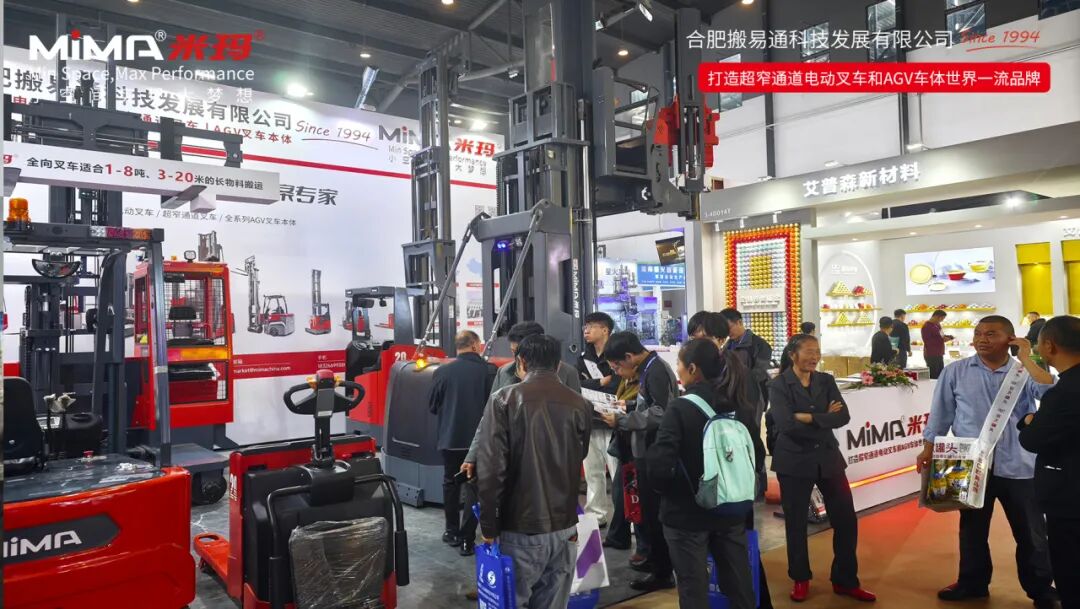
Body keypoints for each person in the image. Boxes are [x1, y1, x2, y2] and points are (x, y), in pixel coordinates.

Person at [916, 316, 1057, 608]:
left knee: (1031, 533)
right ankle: (972, 583)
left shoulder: (1024, 371)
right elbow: (941, 414)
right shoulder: (955, 371)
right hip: (971, 465)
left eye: (991, 334)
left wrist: (1027, 357)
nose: (982, 339)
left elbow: (1049, 392)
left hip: (1019, 464)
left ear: (1010, 339)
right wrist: (928, 448)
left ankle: (1041, 589)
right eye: (978, 333)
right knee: (972, 530)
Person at [477, 334, 592, 609]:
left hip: (520, 527)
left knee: (512, 602)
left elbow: (492, 470)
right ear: (558, 364)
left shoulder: (504, 399)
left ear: (521, 362)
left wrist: (489, 526)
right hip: (565, 527)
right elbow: (580, 456)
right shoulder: (580, 403)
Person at [647, 339, 757, 609]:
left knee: (693, 589)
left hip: (686, 514)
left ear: (693, 368)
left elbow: (660, 466)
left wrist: (665, 489)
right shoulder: (738, 404)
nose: (677, 370)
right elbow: (757, 451)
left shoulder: (680, 408)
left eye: (679, 364)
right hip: (732, 508)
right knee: (739, 584)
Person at [770, 334, 876, 603]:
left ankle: (845, 580)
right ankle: (800, 578)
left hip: (828, 458)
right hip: (794, 462)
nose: (814, 357)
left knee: (846, 520)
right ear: (793, 354)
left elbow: (843, 416)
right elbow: (785, 424)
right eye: (808, 351)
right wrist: (824, 418)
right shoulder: (779, 384)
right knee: (796, 524)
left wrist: (809, 417)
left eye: (817, 351)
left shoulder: (826, 381)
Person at [601, 331, 677, 592]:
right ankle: (655, 560)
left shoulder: (655, 370)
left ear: (629, 356)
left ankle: (662, 573)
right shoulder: (648, 368)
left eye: (617, 367)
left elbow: (661, 412)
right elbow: (650, 404)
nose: (617, 372)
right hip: (645, 450)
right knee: (646, 512)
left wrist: (622, 419)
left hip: (654, 452)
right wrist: (629, 405)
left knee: (655, 515)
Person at [1018, 316, 1080, 609]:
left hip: (1070, 496)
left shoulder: (1064, 392)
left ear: (1049, 346)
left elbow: (1033, 440)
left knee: (1070, 567)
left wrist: (1029, 421)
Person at [427, 330, 496, 556]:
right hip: (480, 441)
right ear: (475, 345)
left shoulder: (442, 371)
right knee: (475, 487)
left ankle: (451, 531)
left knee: (450, 483)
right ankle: (467, 539)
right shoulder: (489, 371)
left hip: (450, 439)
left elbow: (433, 405)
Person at [576, 312, 618, 527]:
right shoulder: (583, 358)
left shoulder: (617, 353)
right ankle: (596, 515)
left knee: (618, 474)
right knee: (593, 472)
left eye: (591, 326)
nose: (586, 330)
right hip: (590, 421)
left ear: (605, 330)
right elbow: (577, 385)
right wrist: (601, 382)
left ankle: (625, 517)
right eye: (586, 326)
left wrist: (592, 384)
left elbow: (617, 386)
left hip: (614, 422)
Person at [921, 310, 953, 379]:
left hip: (939, 353)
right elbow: (927, 341)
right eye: (942, 318)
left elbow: (941, 335)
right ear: (936, 316)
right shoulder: (926, 326)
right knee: (934, 376)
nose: (942, 320)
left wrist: (948, 337)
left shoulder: (937, 325)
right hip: (931, 354)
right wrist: (943, 340)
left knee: (940, 375)